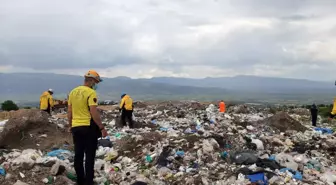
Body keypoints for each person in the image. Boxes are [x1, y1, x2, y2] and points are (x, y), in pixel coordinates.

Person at [67, 70, 108, 185]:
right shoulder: (91, 92)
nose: (96, 85)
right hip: (88, 127)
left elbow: (69, 112)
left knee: (78, 154)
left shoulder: (73, 92)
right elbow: (93, 112)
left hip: (76, 127)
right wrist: (101, 127)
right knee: (89, 156)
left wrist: (70, 125)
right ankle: (89, 182)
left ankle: (80, 180)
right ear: (92, 81)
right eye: (96, 82)